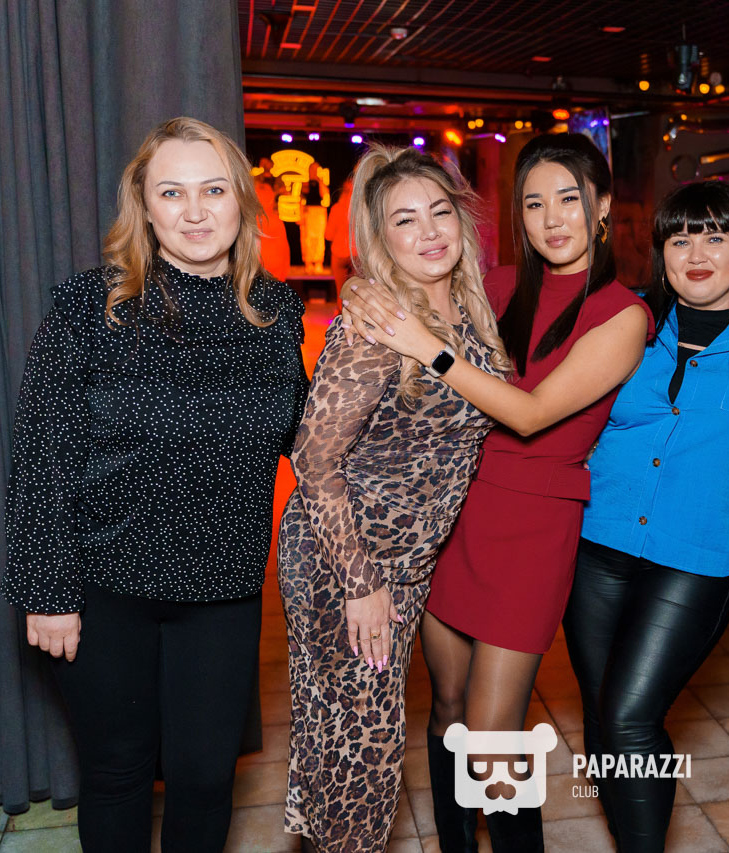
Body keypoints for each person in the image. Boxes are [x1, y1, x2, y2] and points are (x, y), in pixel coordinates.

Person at [2, 117, 308, 853]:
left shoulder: (275, 315)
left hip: (223, 588)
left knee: (205, 779)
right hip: (106, 588)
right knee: (117, 773)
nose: (195, 211)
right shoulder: (90, 306)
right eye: (172, 192)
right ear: (143, 205)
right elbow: (43, 453)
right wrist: (47, 590)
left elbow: (307, 434)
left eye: (214, 190)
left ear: (242, 202)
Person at [341, 132, 653, 852]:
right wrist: (361, 290)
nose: (552, 218)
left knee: (490, 738)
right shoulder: (499, 285)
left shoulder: (623, 314)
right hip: (455, 514)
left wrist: (429, 348)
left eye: (569, 199)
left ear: (603, 205)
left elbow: (532, 413)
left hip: (535, 528)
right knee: (447, 707)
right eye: (534, 203)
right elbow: (402, 278)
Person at [277, 145, 507, 853]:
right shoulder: (377, 327)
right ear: (381, 238)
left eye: (440, 212)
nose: (429, 231)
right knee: (361, 753)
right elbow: (313, 458)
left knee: (356, 744)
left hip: (404, 564)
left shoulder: (467, 311)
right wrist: (361, 583)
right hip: (348, 561)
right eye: (405, 220)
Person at [562, 181, 729, 852]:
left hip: (697, 558)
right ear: (660, 251)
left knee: (629, 718)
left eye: (715, 237)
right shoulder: (627, 323)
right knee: (601, 720)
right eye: (680, 238)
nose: (697, 254)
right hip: (598, 542)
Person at [326, 173, 356, 290]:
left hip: (339, 254)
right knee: (356, 291)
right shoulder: (361, 209)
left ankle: (340, 302)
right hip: (356, 255)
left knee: (341, 291)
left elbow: (328, 235)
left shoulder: (336, 208)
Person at [301, 161, 331, 273]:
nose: (314, 171)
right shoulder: (305, 183)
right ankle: (308, 262)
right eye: (312, 169)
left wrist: (320, 181)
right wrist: (300, 215)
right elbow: (301, 200)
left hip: (320, 212)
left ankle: (318, 262)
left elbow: (325, 197)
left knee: (319, 238)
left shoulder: (321, 183)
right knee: (308, 239)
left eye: (316, 169)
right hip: (308, 211)